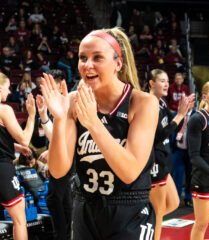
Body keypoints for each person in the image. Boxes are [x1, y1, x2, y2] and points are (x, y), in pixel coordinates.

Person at [41, 27, 158, 239]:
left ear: (117, 64)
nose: (87, 65)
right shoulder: (72, 101)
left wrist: (94, 124)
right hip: (86, 206)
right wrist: (59, 120)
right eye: (82, 58)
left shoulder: (142, 102)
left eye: (97, 58)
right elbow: (58, 171)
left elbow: (129, 172)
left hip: (129, 210)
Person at [147, 68, 194, 240]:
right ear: (151, 83)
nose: (166, 84)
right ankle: (147, 228)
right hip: (154, 165)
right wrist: (180, 115)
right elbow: (158, 136)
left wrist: (183, 111)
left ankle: (142, 221)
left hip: (163, 163)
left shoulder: (162, 103)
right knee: (159, 213)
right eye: (162, 81)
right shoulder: (149, 103)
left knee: (173, 203)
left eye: (167, 81)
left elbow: (170, 124)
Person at [36, 69, 73, 240]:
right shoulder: (53, 104)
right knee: (63, 199)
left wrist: (51, 153)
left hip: (67, 156)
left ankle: (63, 236)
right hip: (60, 156)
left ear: (60, 85)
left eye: (49, 84)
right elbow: (55, 137)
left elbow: (65, 137)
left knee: (55, 199)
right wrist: (43, 114)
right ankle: (67, 234)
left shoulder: (68, 101)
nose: (45, 88)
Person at [0, 72, 36, 240]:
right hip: (2, 168)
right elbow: (25, 138)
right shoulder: (4, 109)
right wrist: (32, 116)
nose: (8, 93)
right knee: (20, 220)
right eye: (7, 88)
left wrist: (15, 147)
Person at [187, 81, 209, 240]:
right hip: (203, 178)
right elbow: (194, 156)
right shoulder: (198, 119)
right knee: (202, 222)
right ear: (205, 97)